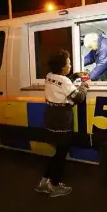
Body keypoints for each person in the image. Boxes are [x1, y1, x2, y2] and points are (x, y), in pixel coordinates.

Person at [35, 49, 90, 197]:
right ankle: (55, 185)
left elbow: (61, 83)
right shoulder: (64, 81)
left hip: (51, 116)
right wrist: (84, 86)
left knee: (58, 152)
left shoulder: (49, 76)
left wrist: (75, 76)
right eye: (68, 63)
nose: (70, 65)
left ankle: (43, 182)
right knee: (61, 153)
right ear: (61, 66)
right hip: (62, 118)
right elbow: (78, 98)